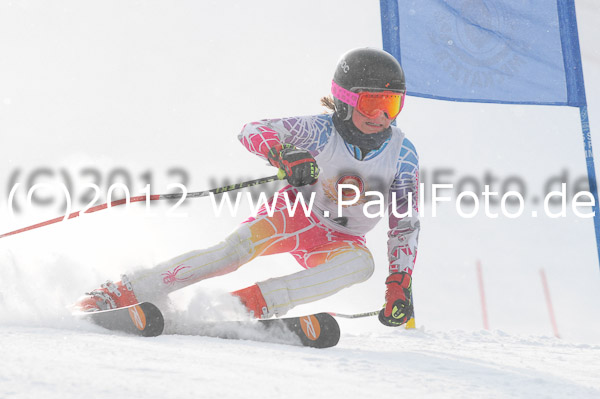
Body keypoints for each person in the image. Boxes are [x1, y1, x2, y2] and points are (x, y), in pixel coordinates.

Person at [75, 47, 419, 327]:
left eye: (392, 104)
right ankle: (123, 292)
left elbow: (404, 225)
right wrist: (284, 154)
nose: (382, 116)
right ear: (345, 100)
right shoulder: (320, 131)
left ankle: (242, 308)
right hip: (294, 214)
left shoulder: (401, 155)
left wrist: (398, 284)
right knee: (233, 252)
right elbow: (252, 130)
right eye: (372, 103)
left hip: (342, 239)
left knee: (361, 265)